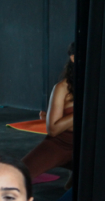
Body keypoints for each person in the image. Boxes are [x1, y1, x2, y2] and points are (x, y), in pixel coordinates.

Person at [21, 42, 75, 183]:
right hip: (61, 143)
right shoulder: (62, 88)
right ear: (74, 58)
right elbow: (53, 129)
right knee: (17, 175)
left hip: (89, 146)